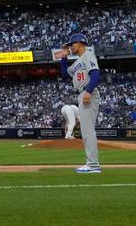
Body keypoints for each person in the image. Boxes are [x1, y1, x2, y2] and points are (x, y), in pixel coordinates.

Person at [54, 32, 101, 173]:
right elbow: (64, 74)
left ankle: (93, 165)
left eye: (72, 44)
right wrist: (64, 56)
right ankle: (92, 163)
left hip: (88, 93)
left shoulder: (88, 55)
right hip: (82, 93)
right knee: (86, 130)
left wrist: (88, 91)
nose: (71, 47)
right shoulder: (77, 62)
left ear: (80, 43)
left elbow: (95, 73)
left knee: (87, 131)